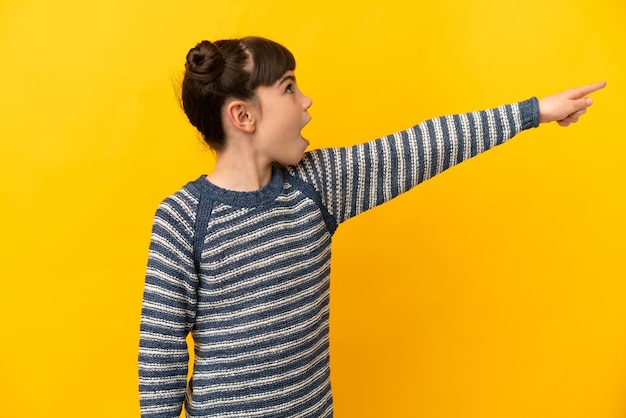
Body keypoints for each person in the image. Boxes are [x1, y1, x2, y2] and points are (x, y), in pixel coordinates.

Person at [138, 36, 605, 418]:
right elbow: (160, 365)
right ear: (244, 116)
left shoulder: (316, 186)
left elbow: (421, 147)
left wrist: (532, 113)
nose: (306, 101)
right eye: (288, 88)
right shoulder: (183, 219)